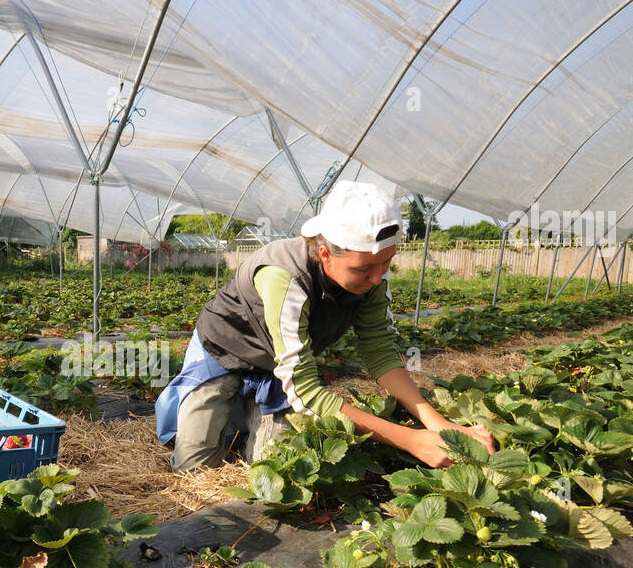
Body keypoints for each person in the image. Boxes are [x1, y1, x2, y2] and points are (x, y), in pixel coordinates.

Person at [155, 181, 494, 471]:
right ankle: (227, 407)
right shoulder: (284, 277)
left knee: (273, 466)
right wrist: (412, 441)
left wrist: (440, 426)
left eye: (387, 263)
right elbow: (305, 390)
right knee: (195, 466)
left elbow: (379, 352)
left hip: (278, 366)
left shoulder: (373, 279)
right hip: (225, 350)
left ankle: (247, 414)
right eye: (364, 269)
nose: (378, 277)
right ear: (325, 253)